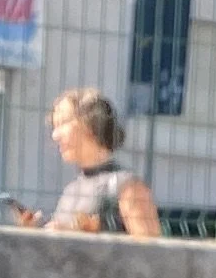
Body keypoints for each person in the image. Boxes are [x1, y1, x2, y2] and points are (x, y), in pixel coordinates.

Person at [13, 86, 161, 237]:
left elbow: (150, 252)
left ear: (90, 123)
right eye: (54, 127)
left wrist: (86, 235)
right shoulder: (72, 189)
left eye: (63, 123)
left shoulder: (127, 186)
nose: (55, 135)